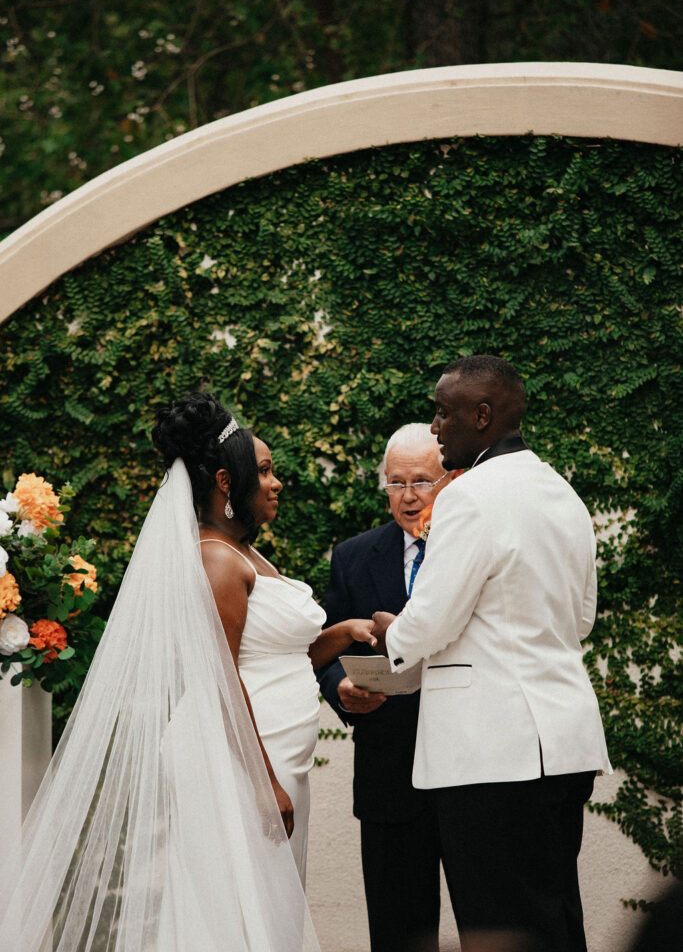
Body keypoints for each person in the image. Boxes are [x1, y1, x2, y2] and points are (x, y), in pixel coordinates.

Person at [0, 392, 374, 952]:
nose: (275, 483)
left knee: (267, 908)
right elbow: (224, 677)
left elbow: (272, 657)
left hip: (272, 749)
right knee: (234, 915)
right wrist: (262, 781)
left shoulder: (243, 551)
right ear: (226, 481)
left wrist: (343, 634)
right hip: (238, 759)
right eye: (264, 471)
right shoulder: (218, 560)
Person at [372, 356, 612, 952]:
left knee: (498, 927)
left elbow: (430, 618)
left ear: (482, 417)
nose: (434, 427)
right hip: (563, 745)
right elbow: (581, 618)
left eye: (443, 412)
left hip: (491, 754)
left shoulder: (470, 496)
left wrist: (389, 636)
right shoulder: (564, 493)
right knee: (554, 919)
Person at [318, 423, 458, 952]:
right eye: (395, 484)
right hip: (387, 766)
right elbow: (328, 649)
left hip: (467, 768)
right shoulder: (353, 556)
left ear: (449, 480)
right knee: (399, 931)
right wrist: (341, 692)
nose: (407, 496)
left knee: (487, 920)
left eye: (420, 481)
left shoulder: (471, 548)